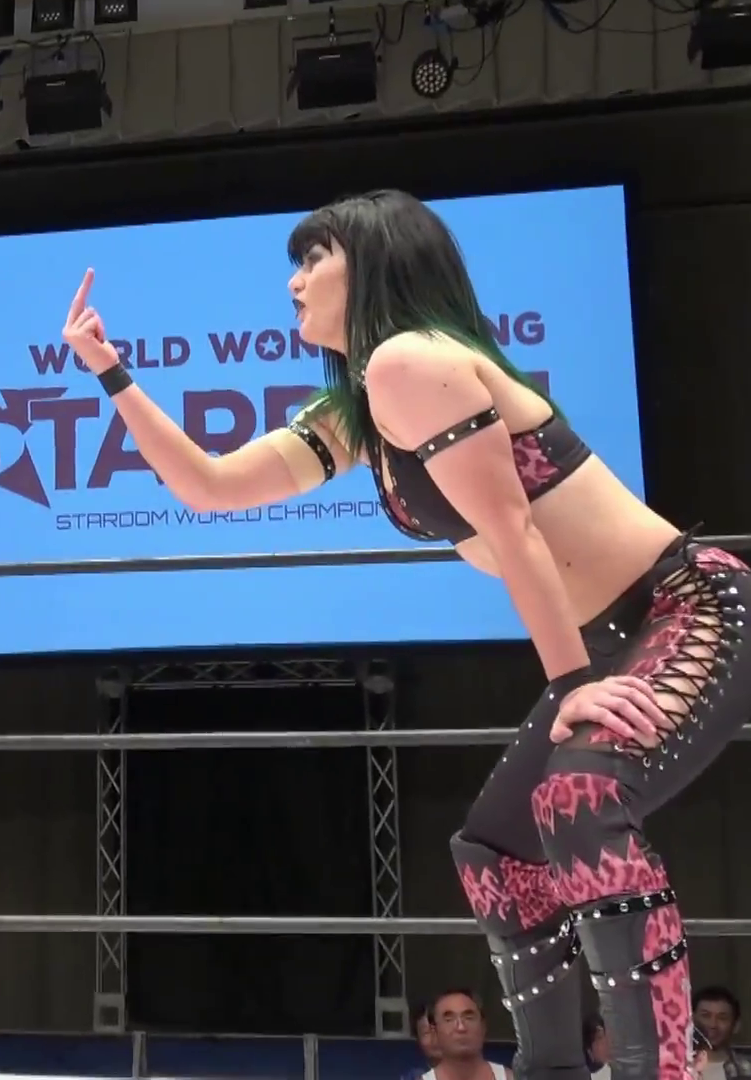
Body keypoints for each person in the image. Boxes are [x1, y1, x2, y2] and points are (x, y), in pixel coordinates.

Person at [60, 188, 745, 1080]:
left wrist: (573, 687)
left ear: (377, 262)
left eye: (315, 258)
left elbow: (514, 529)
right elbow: (210, 486)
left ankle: (661, 1069)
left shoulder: (411, 361)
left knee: (579, 799)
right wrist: (110, 372)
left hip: (688, 607)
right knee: (496, 853)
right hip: (614, 637)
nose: (295, 281)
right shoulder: (360, 406)